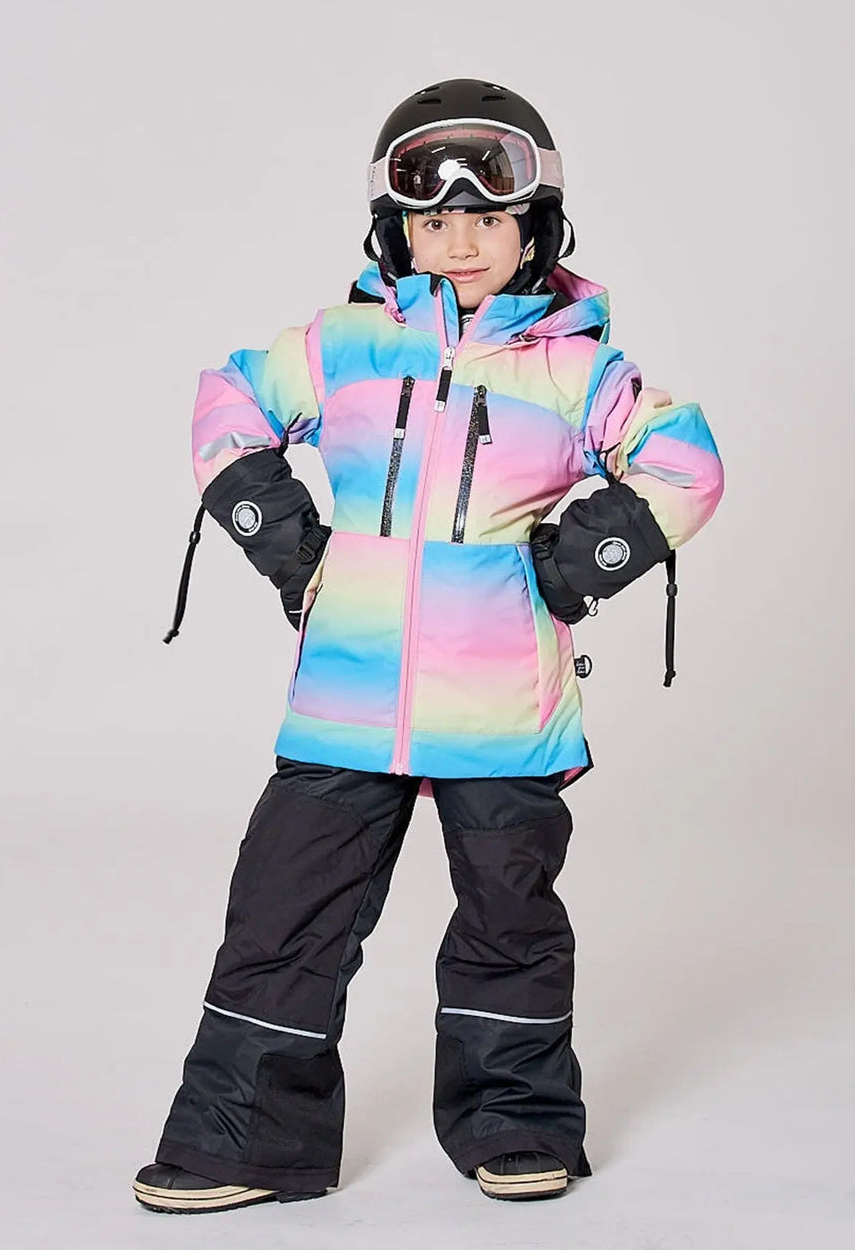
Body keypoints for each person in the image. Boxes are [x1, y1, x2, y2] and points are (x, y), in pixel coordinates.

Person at [135, 78, 724, 1214]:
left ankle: (516, 1120)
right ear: (395, 229)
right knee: (283, 912)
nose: (458, 242)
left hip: (500, 708)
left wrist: (568, 567)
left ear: (534, 226)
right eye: (433, 219)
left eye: (486, 218)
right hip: (344, 702)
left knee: (509, 915)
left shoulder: (575, 371)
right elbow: (228, 407)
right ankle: (244, 1137)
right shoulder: (345, 346)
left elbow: (684, 461)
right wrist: (291, 546)